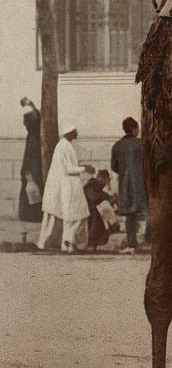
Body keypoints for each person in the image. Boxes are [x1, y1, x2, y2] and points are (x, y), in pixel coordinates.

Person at [36, 124, 93, 253]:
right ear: (70, 133)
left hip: (66, 185)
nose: (77, 133)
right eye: (75, 131)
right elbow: (68, 169)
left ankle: (66, 243)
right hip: (67, 186)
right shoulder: (64, 147)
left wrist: (82, 167)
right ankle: (69, 242)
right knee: (76, 214)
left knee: (69, 215)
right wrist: (85, 169)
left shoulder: (63, 146)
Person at [111, 117, 150, 254]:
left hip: (125, 186)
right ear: (134, 129)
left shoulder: (117, 145)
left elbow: (114, 167)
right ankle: (151, 241)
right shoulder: (141, 144)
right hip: (141, 184)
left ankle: (132, 245)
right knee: (149, 211)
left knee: (129, 216)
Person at [18, 97, 43, 223]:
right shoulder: (34, 134)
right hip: (33, 164)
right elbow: (37, 117)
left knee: (32, 188)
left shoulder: (33, 134)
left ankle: (28, 214)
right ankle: (33, 215)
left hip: (31, 162)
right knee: (34, 186)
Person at [83, 169, 120, 250]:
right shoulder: (92, 185)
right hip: (90, 211)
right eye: (106, 181)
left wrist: (110, 198)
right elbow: (94, 197)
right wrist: (107, 198)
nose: (105, 184)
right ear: (102, 179)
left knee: (104, 208)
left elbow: (102, 195)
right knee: (101, 212)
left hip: (93, 210)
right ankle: (92, 244)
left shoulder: (95, 185)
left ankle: (112, 227)